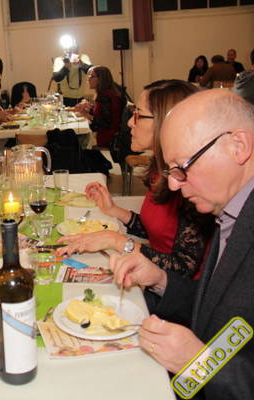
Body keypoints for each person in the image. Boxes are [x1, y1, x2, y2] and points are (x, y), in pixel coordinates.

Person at [109, 89, 254, 399]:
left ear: (239, 146)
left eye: (183, 167)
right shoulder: (230, 210)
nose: (174, 184)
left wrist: (199, 363)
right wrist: (161, 280)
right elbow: (219, 309)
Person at [57, 79, 213, 277]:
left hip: (175, 291)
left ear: (166, 122)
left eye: (139, 114)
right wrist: (113, 210)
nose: (130, 122)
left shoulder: (189, 182)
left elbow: (183, 268)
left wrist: (116, 241)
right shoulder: (160, 169)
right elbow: (158, 232)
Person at [74, 66, 126, 148]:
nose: (88, 79)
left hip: (108, 139)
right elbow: (101, 113)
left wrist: (85, 114)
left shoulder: (104, 96)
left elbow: (103, 124)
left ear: (101, 79)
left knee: (77, 141)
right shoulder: (108, 92)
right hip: (110, 135)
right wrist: (89, 108)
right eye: (89, 76)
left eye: (92, 76)